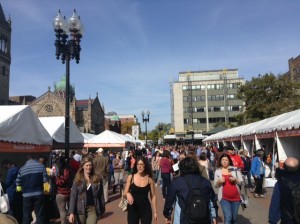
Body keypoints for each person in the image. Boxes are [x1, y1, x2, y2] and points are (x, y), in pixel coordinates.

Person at [163, 156, 217, 224]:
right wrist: (214, 216)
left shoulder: (176, 182)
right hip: (204, 218)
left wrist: (167, 214)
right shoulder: (205, 182)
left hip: (183, 219)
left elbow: (169, 200)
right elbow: (212, 200)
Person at [68, 156, 104, 224]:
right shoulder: (78, 179)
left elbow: (101, 195)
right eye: (86, 165)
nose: (88, 167)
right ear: (83, 166)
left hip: (92, 209)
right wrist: (71, 213)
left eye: (90, 165)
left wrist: (102, 210)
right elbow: (73, 196)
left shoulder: (97, 178)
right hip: (80, 209)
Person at [123, 156, 158, 224]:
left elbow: (153, 196)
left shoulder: (149, 179)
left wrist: (155, 212)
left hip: (146, 209)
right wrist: (128, 194)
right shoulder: (131, 177)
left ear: (145, 165)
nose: (139, 166)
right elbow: (124, 193)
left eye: (141, 164)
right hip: (133, 209)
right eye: (138, 164)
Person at [16, 155, 49, 224]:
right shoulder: (41, 166)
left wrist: (22, 190)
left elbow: (18, 184)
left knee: (26, 215)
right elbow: (45, 180)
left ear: (27, 160)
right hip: (39, 194)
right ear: (34, 159)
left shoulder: (22, 169)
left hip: (26, 195)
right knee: (40, 215)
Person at [269, 157, 300, 223]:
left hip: (288, 219)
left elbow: (275, 204)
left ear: (284, 168)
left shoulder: (281, 183)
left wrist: (273, 220)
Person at [214, 154, 243, 224]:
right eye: (223, 160)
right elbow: (216, 185)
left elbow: (241, 182)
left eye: (226, 160)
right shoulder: (218, 171)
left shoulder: (235, 169)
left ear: (229, 161)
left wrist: (235, 179)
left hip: (236, 198)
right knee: (228, 217)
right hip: (224, 198)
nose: (224, 161)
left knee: (234, 218)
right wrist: (219, 181)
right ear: (220, 161)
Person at [55, 156, 72, 224]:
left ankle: (63, 222)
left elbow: (63, 181)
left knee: (62, 210)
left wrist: (55, 180)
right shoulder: (68, 169)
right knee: (67, 210)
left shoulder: (63, 170)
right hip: (68, 191)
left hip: (61, 192)